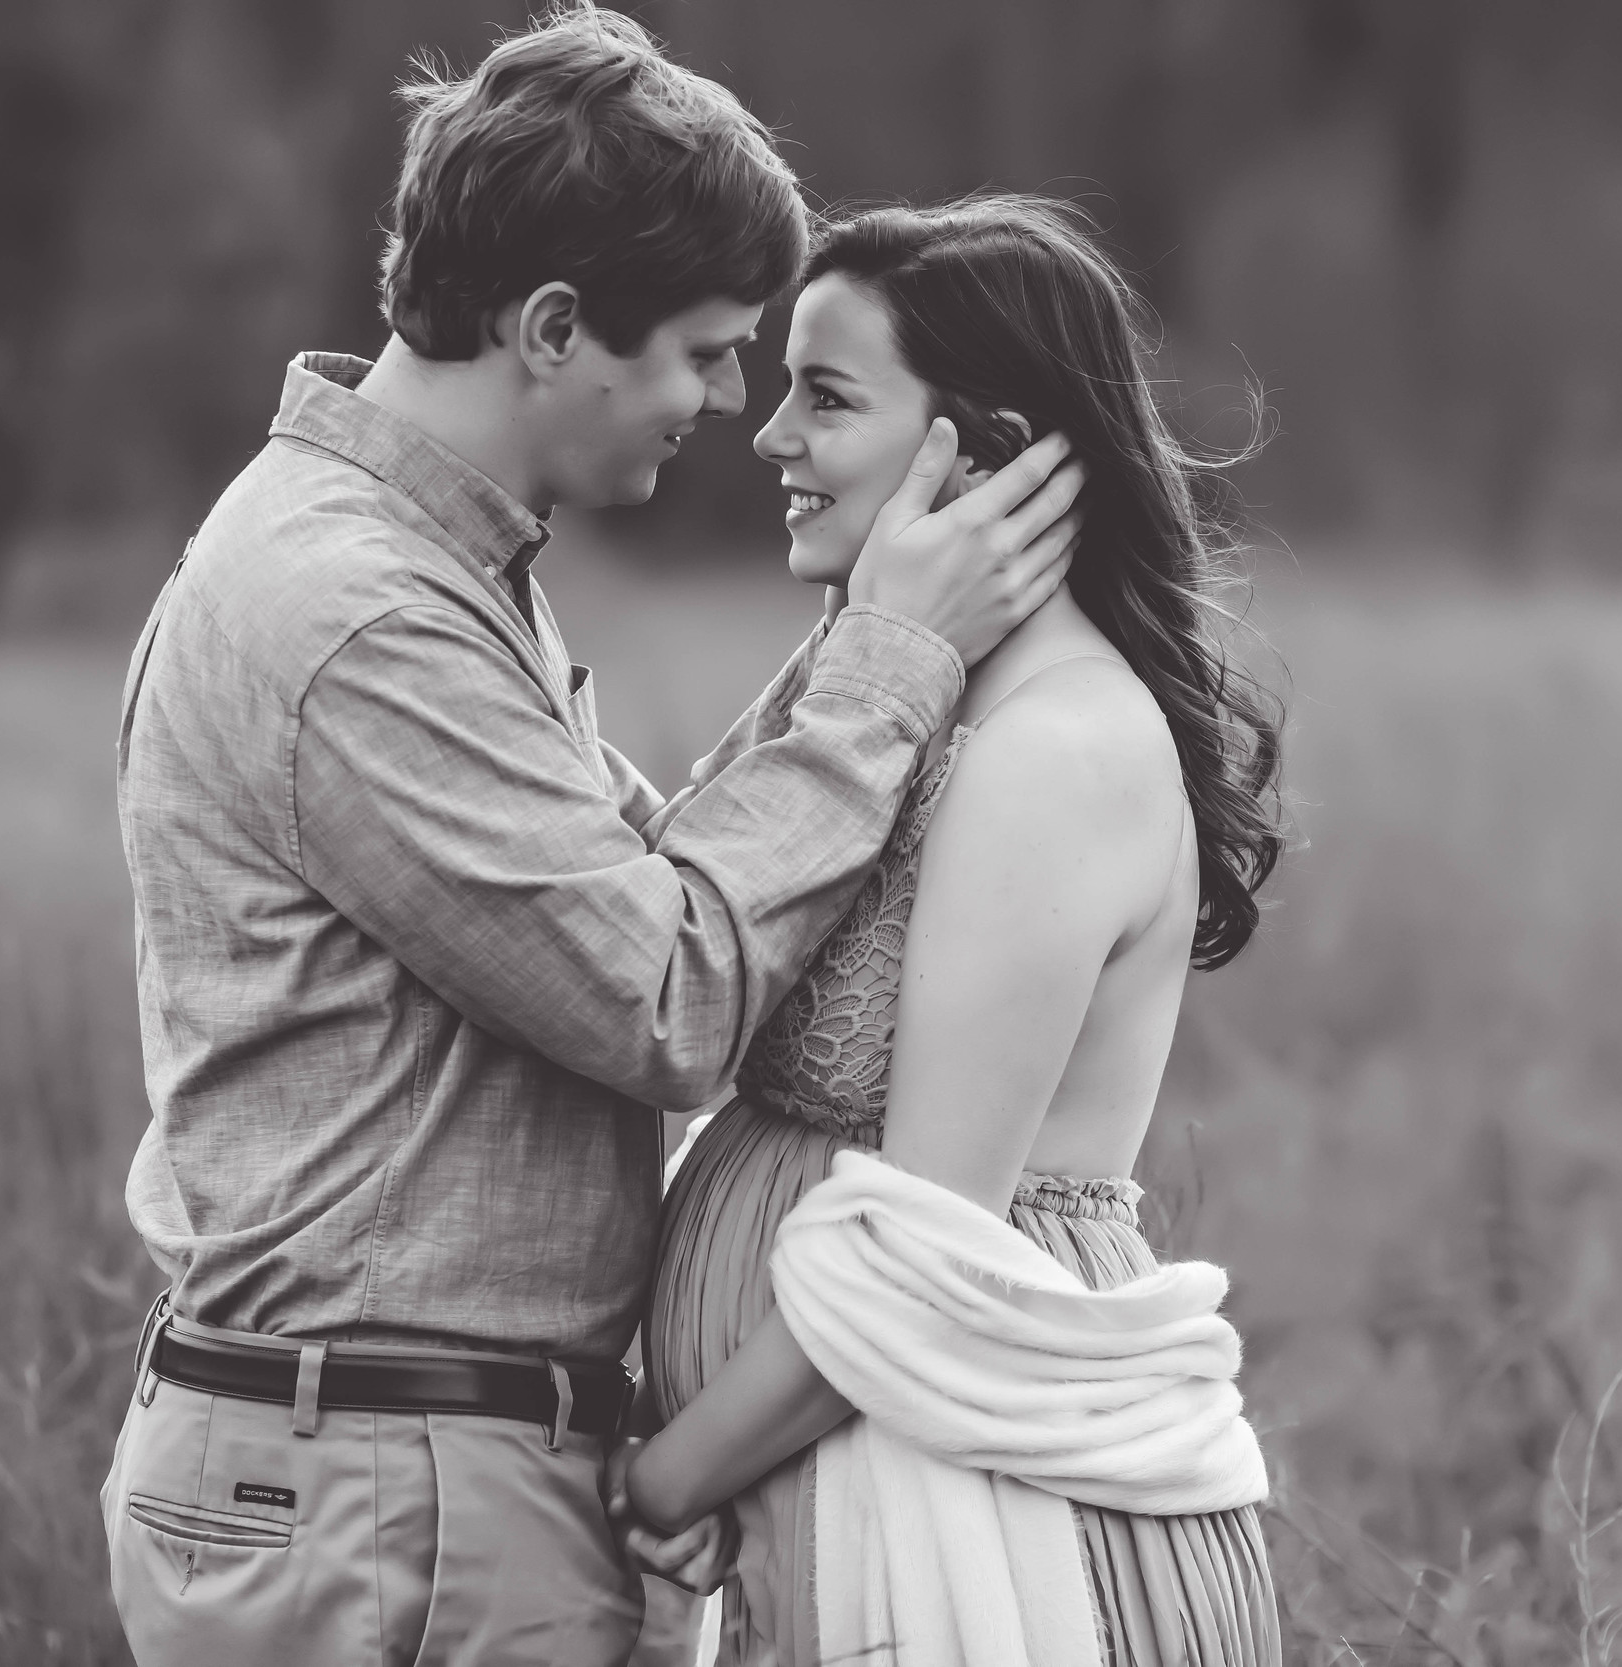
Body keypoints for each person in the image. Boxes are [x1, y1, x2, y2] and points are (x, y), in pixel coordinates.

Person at [98, 11, 1084, 1665]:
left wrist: (875, 632)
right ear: (554, 326)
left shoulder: (437, 574)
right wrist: (890, 662)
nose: (728, 405)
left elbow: (658, 878)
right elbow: (667, 995)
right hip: (382, 1497)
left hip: (401, 1475)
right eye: (706, 352)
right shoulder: (354, 621)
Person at [622, 196, 1288, 1664]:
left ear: (978, 451)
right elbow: (659, 914)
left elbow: (923, 1256)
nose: (770, 435)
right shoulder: (913, 702)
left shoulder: (1055, 753)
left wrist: (655, 1481)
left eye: (828, 396)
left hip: (983, 1523)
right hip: (844, 1487)